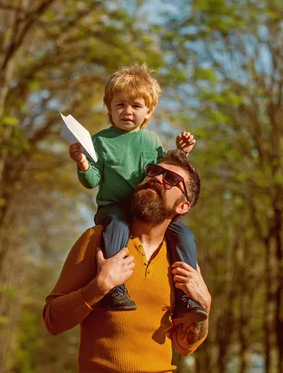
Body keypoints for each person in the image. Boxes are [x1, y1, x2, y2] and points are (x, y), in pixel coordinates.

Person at [44, 150, 211, 372]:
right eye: (154, 171)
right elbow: (52, 320)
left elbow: (183, 346)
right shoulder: (97, 240)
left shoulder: (183, 262)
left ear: (182, 206)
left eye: (171, 179)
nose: (157, 178)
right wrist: (99, 287)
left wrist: (205, 307)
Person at [68, 63, 206, 323]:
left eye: (136, 106)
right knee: (117, 225)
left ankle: (186, 297)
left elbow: (165, 171)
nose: (127, 111)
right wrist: (83, 164)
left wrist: (182, 151)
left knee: (184, 234)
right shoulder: (100, 141)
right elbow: (92, 180)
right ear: (109, 108)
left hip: (146, 210)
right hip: (114, 207)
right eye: (120, 105)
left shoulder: (151, 140)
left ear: (148, 111)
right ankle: (114, 287)